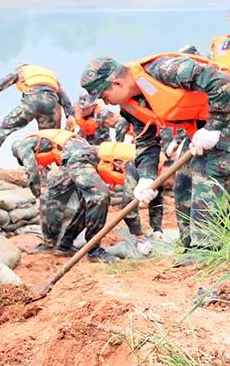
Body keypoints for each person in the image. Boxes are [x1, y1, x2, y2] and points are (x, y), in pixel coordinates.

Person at [80, 53, 229, 253]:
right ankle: (190, 247)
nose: (106, 104)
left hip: (223, 118)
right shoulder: (129, 105)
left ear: (116, 84)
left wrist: (214, 126)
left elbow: (223, 84)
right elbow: (146, 140)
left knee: (207, 177)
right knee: (183, 183)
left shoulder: (166, 69)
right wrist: (147, 177)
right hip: (199, 130)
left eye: (104, 96)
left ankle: (208, 249)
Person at [11, 131, 117, 263]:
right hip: (86, 153)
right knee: (87, 201)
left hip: (74, 157)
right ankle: (65, 244)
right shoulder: (40, 137)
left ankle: (52, 244)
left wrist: (36, 193)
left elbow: (31, 171)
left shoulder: (22, 146)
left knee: (50, 199)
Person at [0, 63, 73, 156]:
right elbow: (64, 96)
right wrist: (70, 115)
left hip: (33, 101)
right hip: (51, 105)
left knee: (4, 128)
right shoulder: (50, 75)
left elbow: (1, 84)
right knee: (47, 139)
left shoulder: (22, 71)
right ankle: (47, 167)